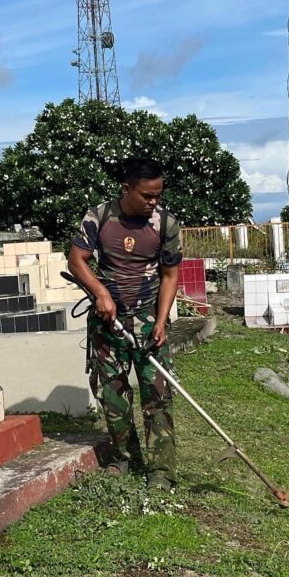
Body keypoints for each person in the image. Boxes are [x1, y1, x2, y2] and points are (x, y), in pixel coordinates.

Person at [68, 157, 182, 491]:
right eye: (147, 195)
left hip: (148, 320)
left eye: (158, 195)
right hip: (109, 323)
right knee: (113, 395)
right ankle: (122, 458)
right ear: (127, 189)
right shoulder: (100, 217)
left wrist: (161, 322)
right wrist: (101, 293)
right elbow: (77, 260)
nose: (153, 202)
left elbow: (170, 274)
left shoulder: (165, 224)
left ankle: (161, 471)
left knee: (157, 395)